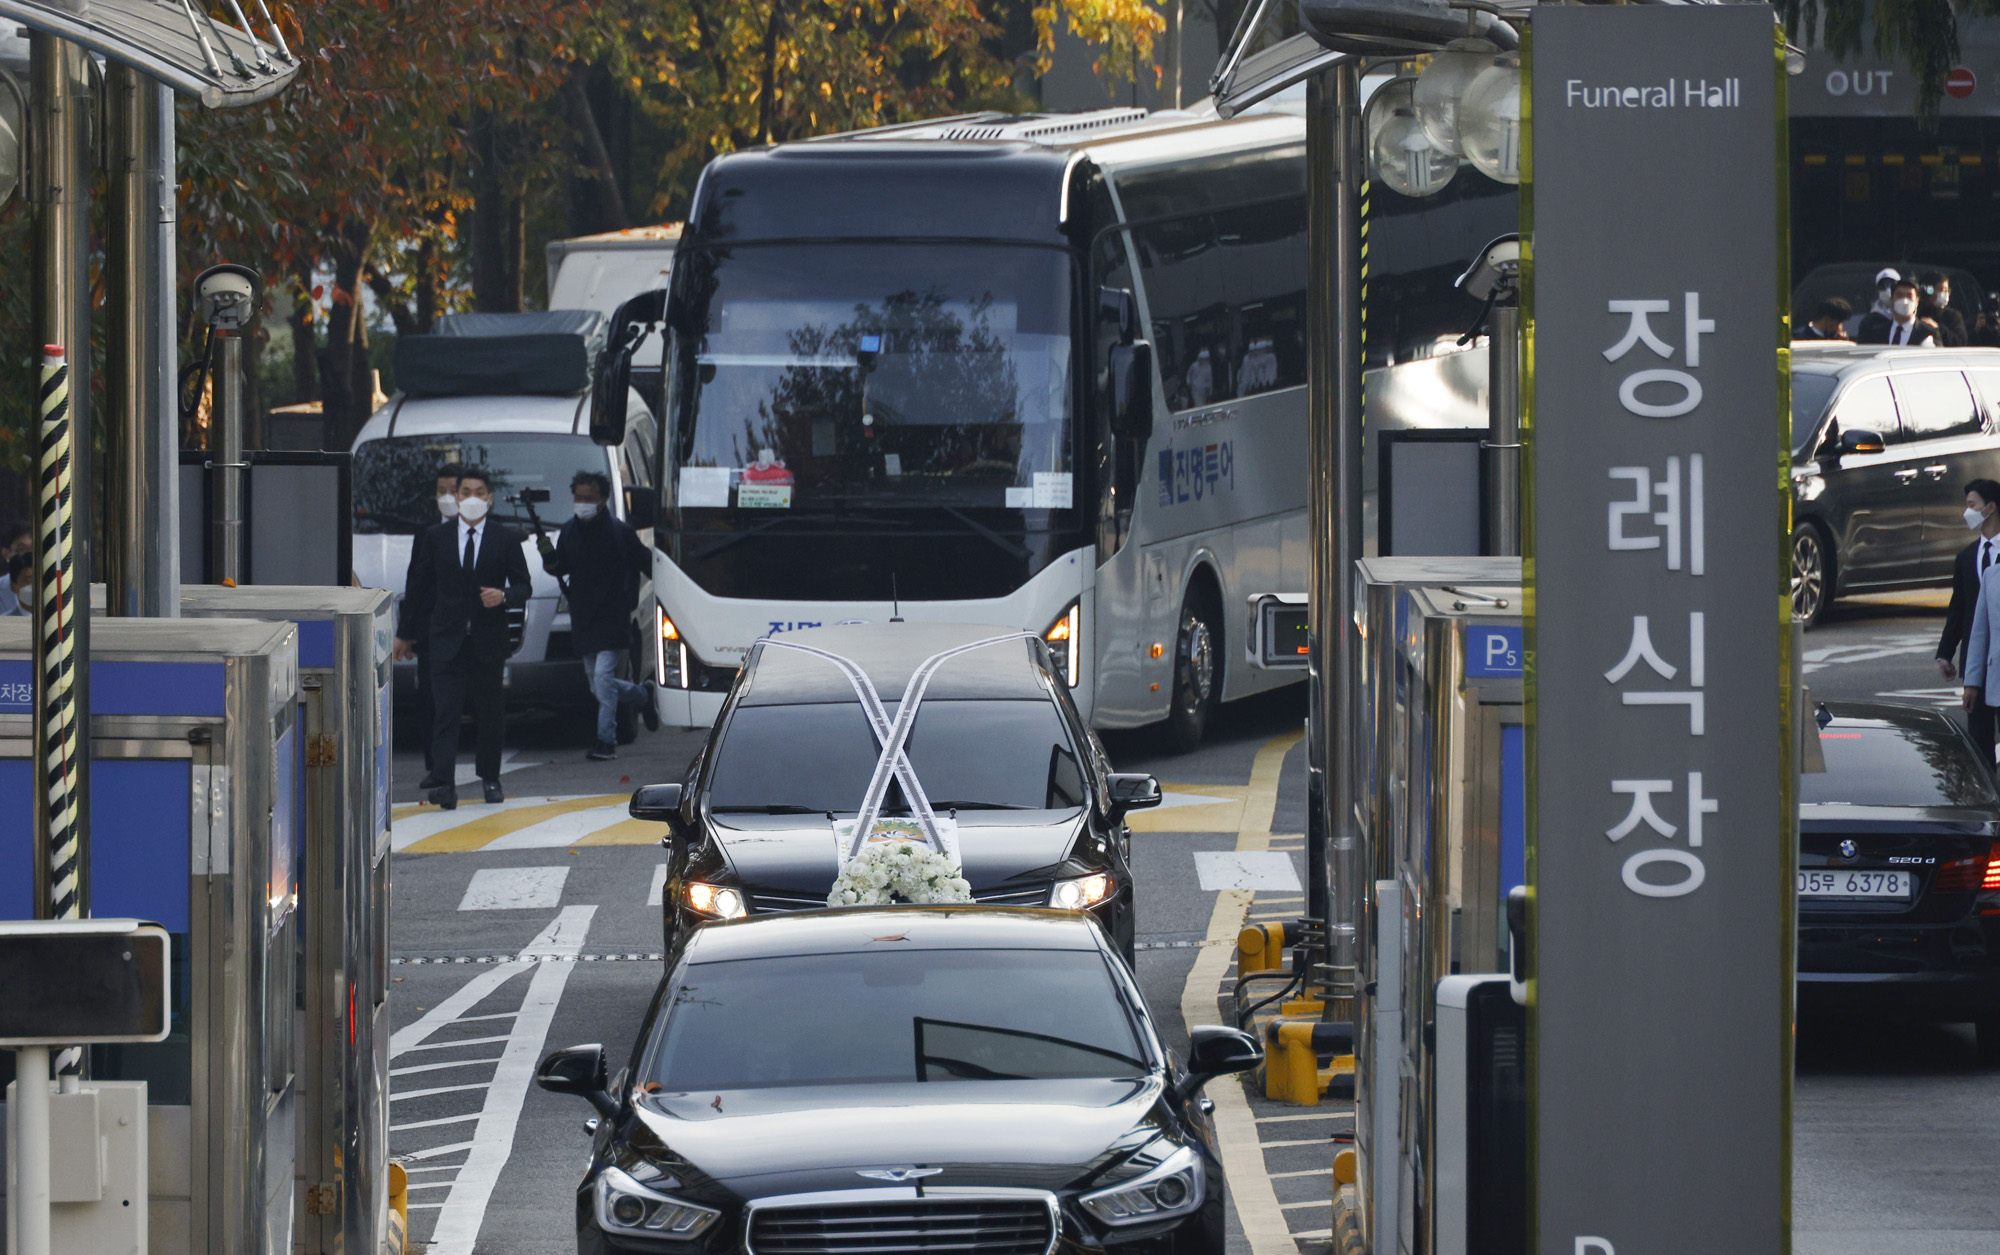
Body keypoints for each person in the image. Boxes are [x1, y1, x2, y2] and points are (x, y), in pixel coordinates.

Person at [392, 467, 531, 809]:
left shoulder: (504, 538)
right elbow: (419, 587)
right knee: (445, 712)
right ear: (455, 497)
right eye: (465, 491)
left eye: (478, 492)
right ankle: (444, 782)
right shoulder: (436, 538)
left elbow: (524, 585)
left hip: (487, 640)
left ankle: (490, 778)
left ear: (489, 498)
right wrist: (405, 634)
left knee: (490, 713)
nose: (471, 498)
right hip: (445, 639)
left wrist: (504, 596)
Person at [539, 471, 657, 760]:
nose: (583, 504)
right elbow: (560, 567)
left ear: (603, 500)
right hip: (584, 617)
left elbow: (647, 563)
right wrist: (548, 557)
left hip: (613, 616)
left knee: (603, 678)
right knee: (597, 684)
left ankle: (606, 741)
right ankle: (642, 695)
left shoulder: (620, 533)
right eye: (578, 498)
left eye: (589, 499)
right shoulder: (568, 532)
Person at [1940, 479, 2000, 765]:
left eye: (1972, 505)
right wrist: (1946, 653)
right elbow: (1962, 611)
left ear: (1990, 508)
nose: (1967, 512)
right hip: (1980, 666)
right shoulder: (1966, 558)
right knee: (1979, 745)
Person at [412, 464, 463, 784]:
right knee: (431, 700)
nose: (446, 498)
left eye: (451, 491)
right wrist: (409, 631)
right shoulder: (427, 532)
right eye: (440, 491)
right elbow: (416, 581)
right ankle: (436, 766)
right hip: (433, 630)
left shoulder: (481, 530)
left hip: (468, 630)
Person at [1856, 278, 1938, 347]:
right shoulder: (1877, 332)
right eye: (1899, 295)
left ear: (1917, 301)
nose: (1905, 301)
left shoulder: (1928, 333)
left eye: (1909, 296)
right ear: (1892, 301)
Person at [1918, 272, 1968, 347]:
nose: (1945, 294)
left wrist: (1937, 328)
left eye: (1947, 291)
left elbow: (1960, 342)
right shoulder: (1917, 313)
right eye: (1941, 290)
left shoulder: (1953, 316)